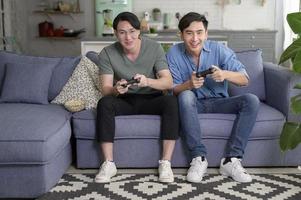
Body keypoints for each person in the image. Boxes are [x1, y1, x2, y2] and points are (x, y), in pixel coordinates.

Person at [166, 12, 259, 183]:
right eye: (189, 33)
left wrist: (225, 74)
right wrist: (189, 84)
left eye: (199, 32)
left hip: (220, 102)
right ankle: (198, 157)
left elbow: (244, 79)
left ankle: (232, 160)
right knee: (186, 96)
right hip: (192, 104)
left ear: (206, 34)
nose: (195, 38)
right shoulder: (173, 52)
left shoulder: (219, 49)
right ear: (181, 35)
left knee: (251, 100)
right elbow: (172, 90)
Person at [95, 12, 179, 183]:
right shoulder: (107, 53)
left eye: (132, 31)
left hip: (152, 98)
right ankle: (108, 163)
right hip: (123, 100)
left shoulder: (154, 48)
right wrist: (116, 89)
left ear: (139, 31)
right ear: (115, 33)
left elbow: (168, 82)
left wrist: (148, 81)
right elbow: (105, 89)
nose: (128, 37)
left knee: (171, 101)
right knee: (104, 103)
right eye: (122, 32)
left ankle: (166, 163)